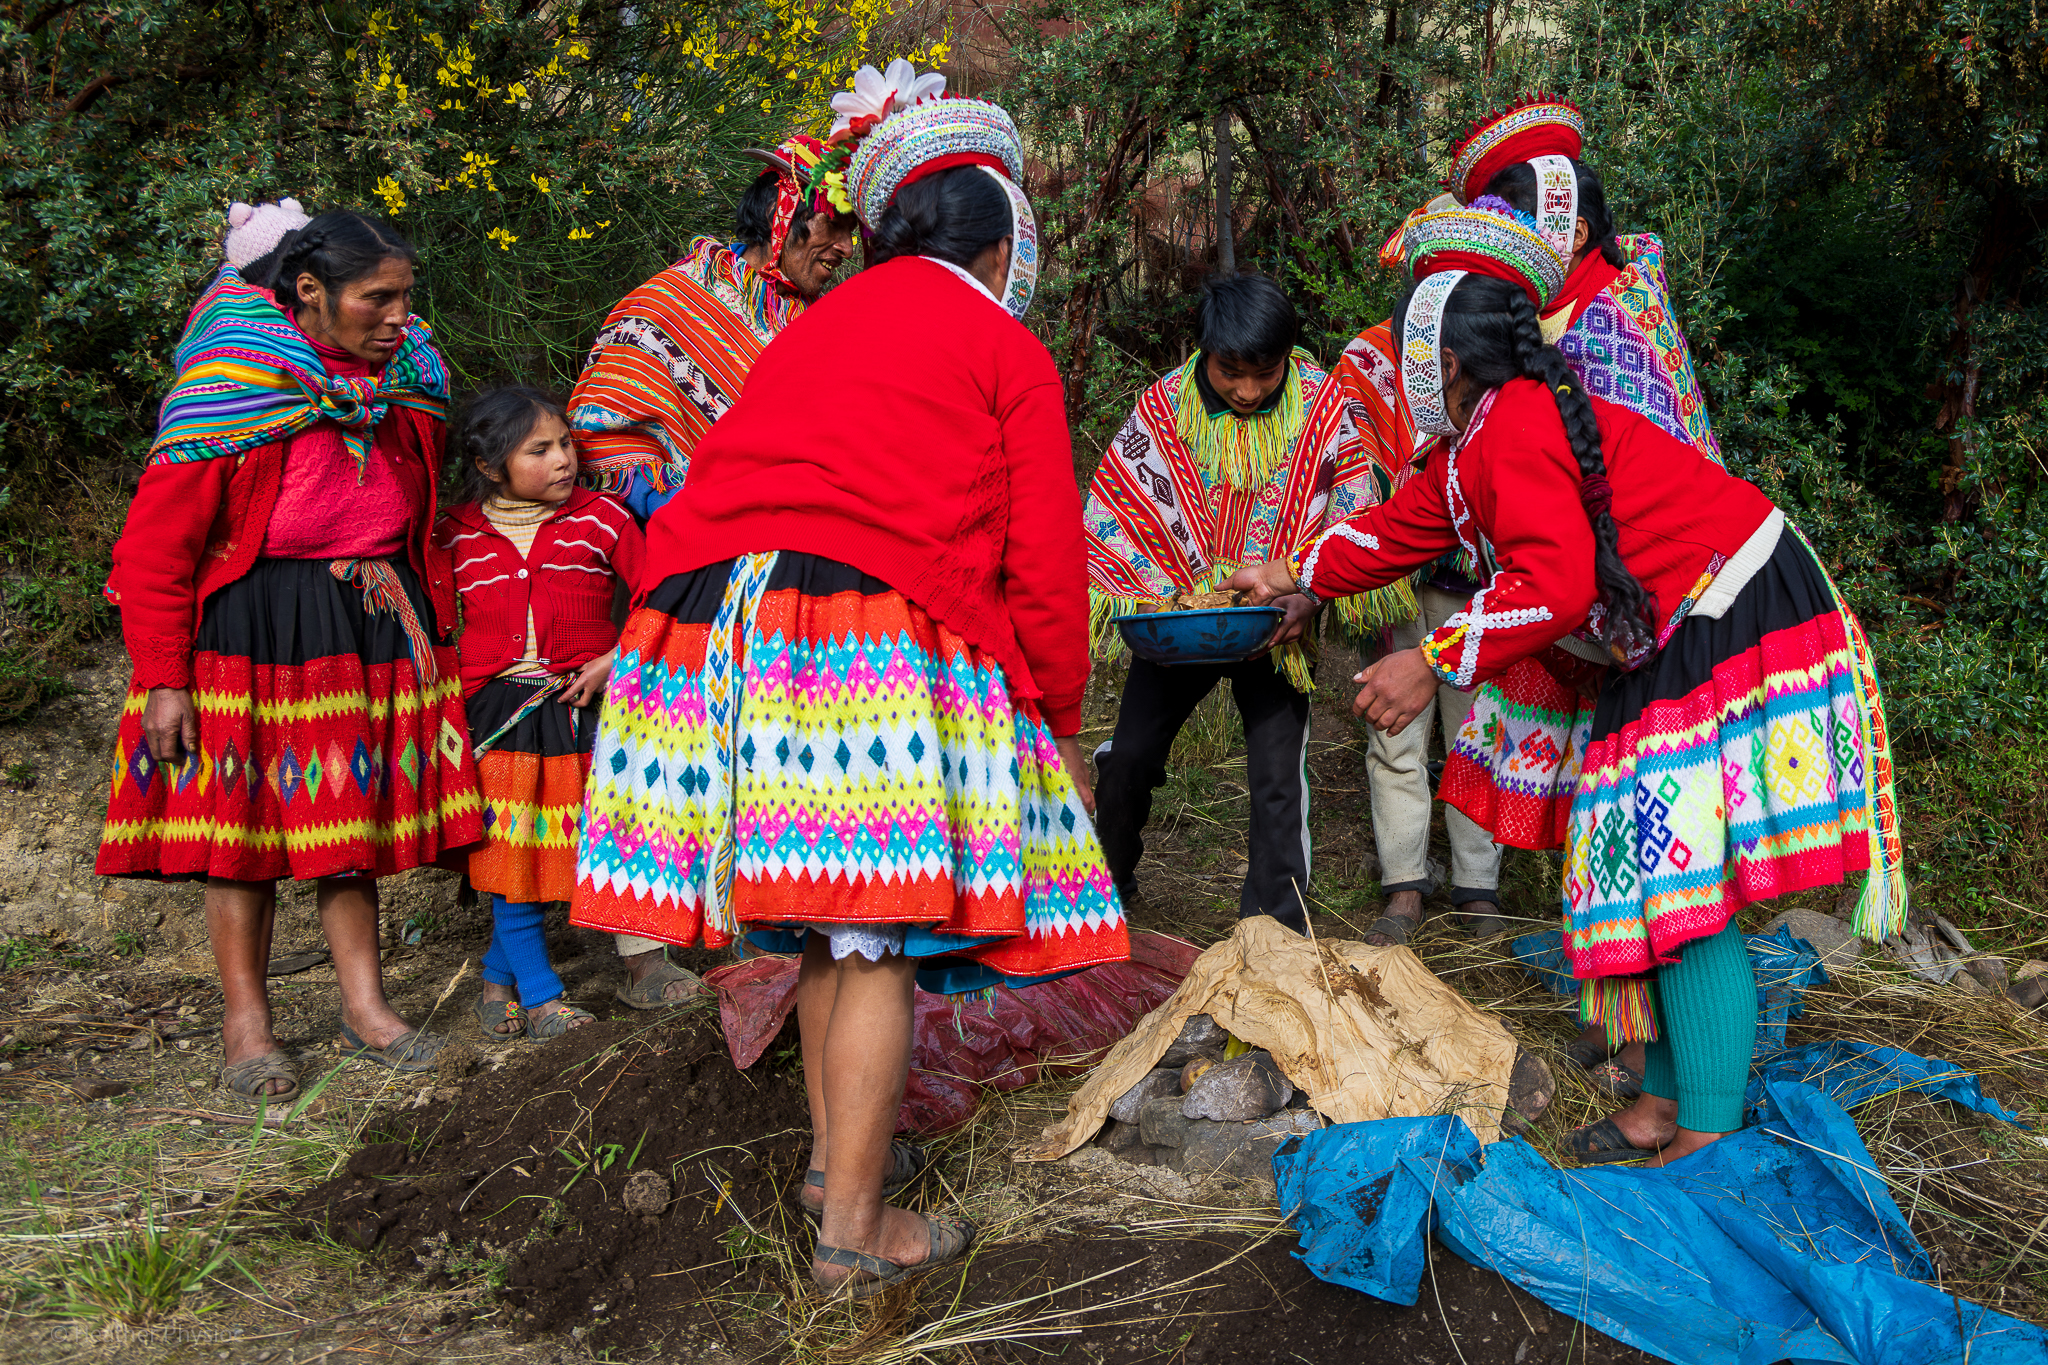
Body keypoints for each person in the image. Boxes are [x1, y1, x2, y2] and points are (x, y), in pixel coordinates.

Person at [568, 62, 1126, 1293]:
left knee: (831, 915)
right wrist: (1062, 722)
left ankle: (834, 1166)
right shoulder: (998, 343)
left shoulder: (809, 325)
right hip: (856, 633)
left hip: (718, 624)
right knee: (874, 939)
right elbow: (1042, 559)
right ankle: (857, 1232)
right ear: (999, 243)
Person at [1231, 198, 1906, 1165]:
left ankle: (1706, 1128)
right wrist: (1292, 575)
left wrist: (1430, 661)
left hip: (1725, 610)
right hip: (1671, 629)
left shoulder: (1512, 429)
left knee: (1684, 875)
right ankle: (1666, 1100)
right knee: (1658, 859)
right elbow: (1394, 531)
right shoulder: (1474, 447)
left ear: (1445, 361)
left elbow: (1556, 584)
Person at [98, 210, 480, 1101]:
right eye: (376, 299)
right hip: (252, 625)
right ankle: (246, 1024)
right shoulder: (235, 386)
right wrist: (164, 677)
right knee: (244, 833)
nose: (399, 318)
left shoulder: (405, 383)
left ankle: (366, 1006)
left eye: (406, 297)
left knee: (345, 830)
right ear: (309, 292)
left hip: (362, 623)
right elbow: (156, 549)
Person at [568, 133, 858, 1008]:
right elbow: (602, 422)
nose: (838, 248)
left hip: (800, 563)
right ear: (782, 217)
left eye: (850, 233)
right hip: (685, 553)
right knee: (668, 741)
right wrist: (696, 494)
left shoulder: (838, 319)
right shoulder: (677, 302)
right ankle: (642, 949)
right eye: (825, 227)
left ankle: (761, 919)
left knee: (778, 743)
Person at [1083, 274, 1411, 934]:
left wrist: (1310, 598)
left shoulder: (1321, 406)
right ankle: (1107, 881)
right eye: (1232, 372)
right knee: (1132, 758)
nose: (1249, 390)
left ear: (1287, 356)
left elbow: (1354, 518)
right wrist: (1163, 598)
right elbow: (1121, 507)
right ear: (1204, 350)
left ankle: (1273, 930)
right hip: (1180, 630)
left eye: (1266, 373)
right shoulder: (1164, 405)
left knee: (1276, 776)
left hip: (1276, 630)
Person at [436, 387, 644, 1039]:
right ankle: (542, 995)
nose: (564, 459)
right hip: (495, 713)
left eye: (566, 444)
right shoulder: (454, 534)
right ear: (491, 466)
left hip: (579, 705)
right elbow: (435, 624)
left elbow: (661, 593)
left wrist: (617, 655)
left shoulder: (604, 519)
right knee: (509, 849)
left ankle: (498, 978)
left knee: (561, 845)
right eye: (541, 449)